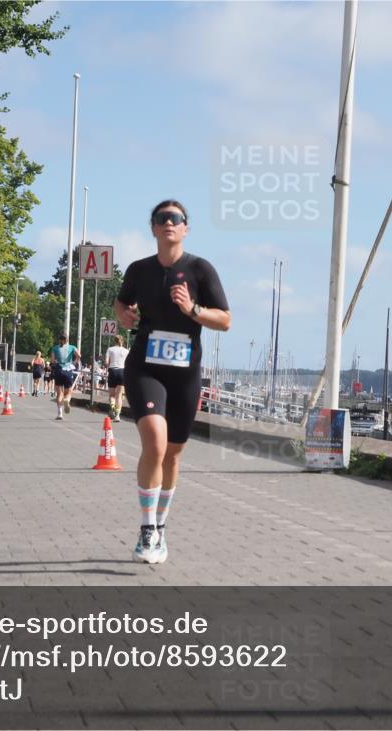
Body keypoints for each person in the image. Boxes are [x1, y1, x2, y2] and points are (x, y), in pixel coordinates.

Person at [114, 199, 230, 564]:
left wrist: (192, 310)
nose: (169, 223)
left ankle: (160, 528)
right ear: (153, 228)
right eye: (162, 218)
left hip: (185, 373)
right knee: (155, 444)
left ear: (185, 228)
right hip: (145, 367)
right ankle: (146, 531)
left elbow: (225, 320)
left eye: (176, 219)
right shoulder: (139, 270)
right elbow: (120, 304)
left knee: (174, 455)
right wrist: (125, 317)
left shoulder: (200, 270)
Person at [50, 333, 81, 420]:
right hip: (68, 370)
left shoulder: (55, 348)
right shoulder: (72, 347)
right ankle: (67, 399)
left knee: (59, 393)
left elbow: (52, 361)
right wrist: (74, 363)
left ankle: (60, 414)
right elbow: (79, 356)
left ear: (59, 340)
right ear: (67, 339)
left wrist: (55, 363)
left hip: (59, 370)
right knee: (69, 391)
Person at [105, 335, 129, 422]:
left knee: (112, 395)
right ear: (123, 341)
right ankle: (117, 416)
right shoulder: (126, 351)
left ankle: (112, 406)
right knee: (119, 395)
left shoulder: (110, 349)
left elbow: (106, 362)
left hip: (113, 371)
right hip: (122, 372)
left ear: (114, 341)